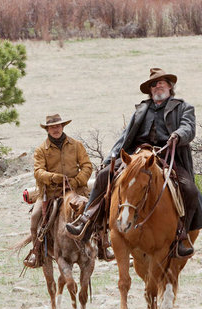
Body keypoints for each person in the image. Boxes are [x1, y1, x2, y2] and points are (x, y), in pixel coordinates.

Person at [66, 68, 202, 257]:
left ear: (170, 86)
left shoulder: (183, 107)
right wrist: (110, 158)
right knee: (105, 175)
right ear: (150, 90)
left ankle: (181, 235)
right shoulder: (142, 109)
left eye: (161, 82)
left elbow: (188, 127)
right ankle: (87, 220)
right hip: (137, 155)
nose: (157, 86)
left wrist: (178, 135)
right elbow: (125, 136)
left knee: (190, 190)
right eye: (153, 84)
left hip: (167, 155)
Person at [24, 113, 94, 268]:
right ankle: (36, 251)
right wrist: (54, 177)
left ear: (63, 126)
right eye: (52, 127)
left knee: (95, 212)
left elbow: (87, 166)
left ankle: (102, 245)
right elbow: (38, 172)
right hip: (52, 192)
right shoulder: (41, 149)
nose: (55, 129)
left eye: (57, 126)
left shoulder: (76, 145)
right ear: (47, 130)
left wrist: (76, 181)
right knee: (35, 218)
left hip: (76, 191)